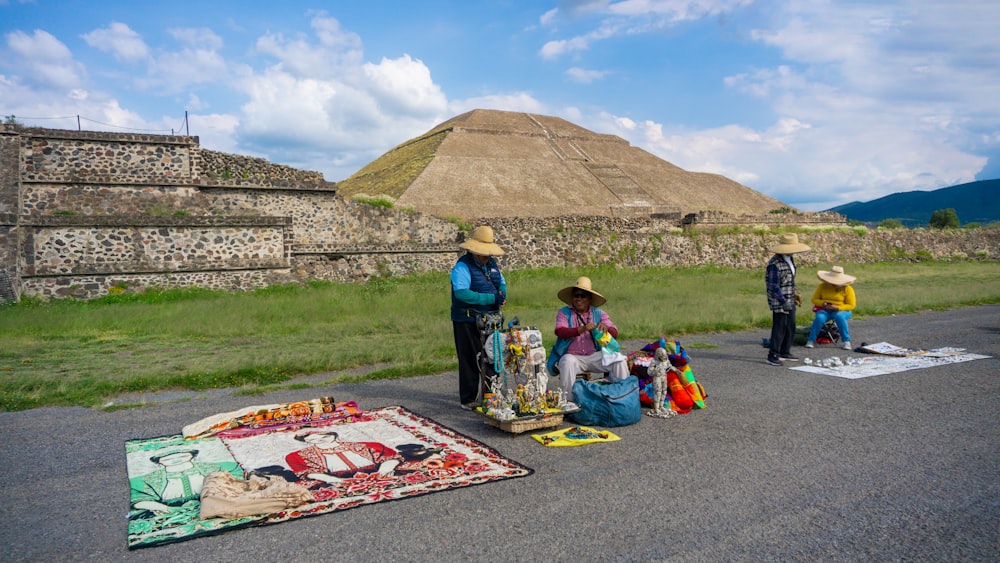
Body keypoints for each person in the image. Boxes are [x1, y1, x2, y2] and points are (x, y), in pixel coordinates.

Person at [450, 225, 507, 410]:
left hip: (490, 319)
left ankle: (491, 395)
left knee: (492, 356)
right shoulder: (462, 267)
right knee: (470, 359)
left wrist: (502, 295)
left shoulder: (492, 265)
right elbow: (462, 293)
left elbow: (502, 283)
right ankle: (468, 399)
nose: (487, 256)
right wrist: (491, 298)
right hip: (467, 320)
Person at [551, 276, 629, 401]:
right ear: (572, 298)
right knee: (566, 362)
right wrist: (581, 329)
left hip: (595, 355)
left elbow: (614, 333)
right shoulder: (564, 312)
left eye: (583, 296)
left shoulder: (599, 313)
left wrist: (606, 329)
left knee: (618, 359)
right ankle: (569, 402)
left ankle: (623, 398)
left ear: (589, 299)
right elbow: (560, 331)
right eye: (576, 296)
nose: (579, 299)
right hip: (574, 357)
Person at [285, 429, 401, 484]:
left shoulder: (367, 445)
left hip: (379, 473)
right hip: (333, 480)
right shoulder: (298, 456)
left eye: (325, 437)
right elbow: (306, 471)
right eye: (313, 439)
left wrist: (384, 470)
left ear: (334, 436)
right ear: (307, 441)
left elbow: (390, 457)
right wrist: (332, 480)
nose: (320, 441)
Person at [765, 233, 811, 366]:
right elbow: (773, 285)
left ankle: (785, 351)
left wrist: (794, 293)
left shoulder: (789, 260)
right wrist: (783, 301)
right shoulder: (775, 264)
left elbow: (790, 280)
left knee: (791, 325)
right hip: (779, 300)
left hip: (790, 298)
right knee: (779, 327)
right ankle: (773, 354)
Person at [805, 265, 857, 350]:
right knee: (819, 318)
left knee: (839, 317)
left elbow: (851, 305)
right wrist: (823, 303)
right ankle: (811, 340)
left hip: (842, 310)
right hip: (825, 309)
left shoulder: (848, 289)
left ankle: (846, 341)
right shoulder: (822, 286)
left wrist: (838, 308)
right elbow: (814, 299)